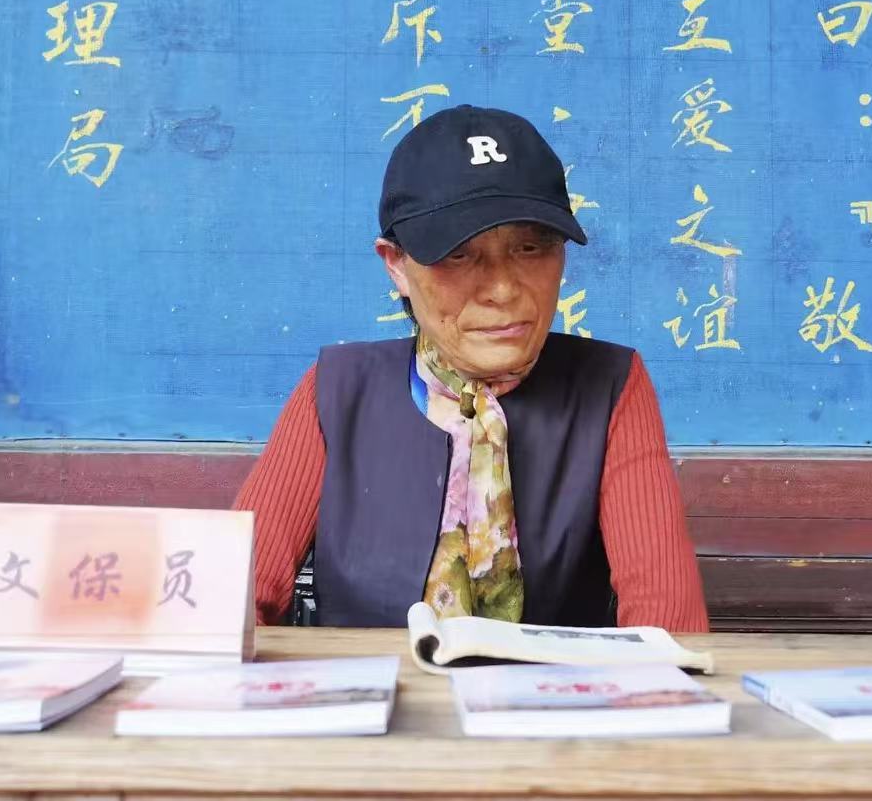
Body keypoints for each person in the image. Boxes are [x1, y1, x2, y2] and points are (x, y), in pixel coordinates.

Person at [233, 104, 707, 631]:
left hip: (548, 688)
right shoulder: (338, 391)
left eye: (531, 247)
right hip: (372, 686)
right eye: (459, 255)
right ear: (396, 265)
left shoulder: (610, 388)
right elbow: (225, 609)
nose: (502, 289)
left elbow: (669, 629)